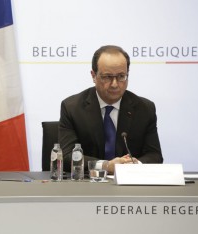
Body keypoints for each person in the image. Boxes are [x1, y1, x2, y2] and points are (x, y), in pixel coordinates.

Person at [59, 45, 163, 174]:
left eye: (121, 76)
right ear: (93, 75)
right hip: (88, 185)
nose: (115, 84)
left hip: (129, 185)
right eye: (107, 77)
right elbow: (67, 156)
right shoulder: (72, 108)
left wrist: (135, 165)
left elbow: (155, 155)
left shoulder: (145, 108)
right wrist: (106, 166)